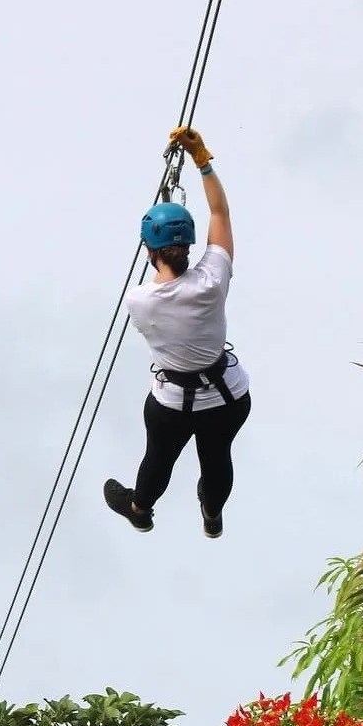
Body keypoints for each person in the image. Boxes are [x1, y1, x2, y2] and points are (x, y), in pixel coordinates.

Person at [103, 126, 252, 539]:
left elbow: (162, 276)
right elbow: (220, 215)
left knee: (159, 457)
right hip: (227, 394)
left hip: (173, 401)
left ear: (148, 250)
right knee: (217, 456)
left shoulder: (139, 301)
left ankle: (140, 508)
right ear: (189, 243)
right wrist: (202, 160)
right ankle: (212, 511)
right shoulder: (213, 279)